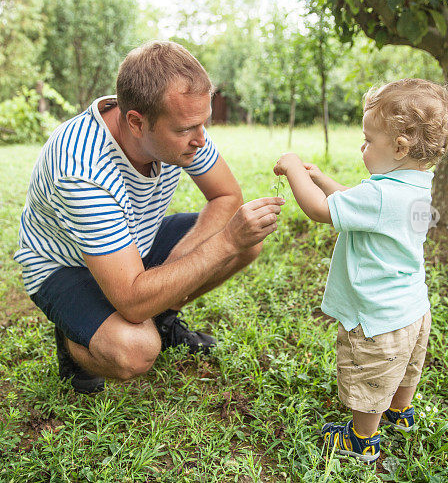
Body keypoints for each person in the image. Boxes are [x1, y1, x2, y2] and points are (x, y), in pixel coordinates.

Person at [15, 41, 284, 394]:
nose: (201, 140)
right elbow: (131, 299)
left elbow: (226, 195)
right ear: (137, 123)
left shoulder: (181, 127)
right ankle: (73, 344)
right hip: (64, 266)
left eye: (203, 123)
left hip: (134, 241)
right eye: (186, 129)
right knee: (136, 351)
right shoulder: (82, 169)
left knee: (246, 247)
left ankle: (162, 315)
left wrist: (175, 270)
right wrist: (223, 243)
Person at [273, 79, 448, 463]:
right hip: (412, 309)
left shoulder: (381, 195)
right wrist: (321, 177)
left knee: (372, 378)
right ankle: (400, 413)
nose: (362, 148)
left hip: (376, 318)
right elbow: (355, 202)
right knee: (405, 369)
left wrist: (294, 170)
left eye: (368, 140)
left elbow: (323, 211)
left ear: (399, 147)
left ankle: (361, 439)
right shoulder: (416, 184)